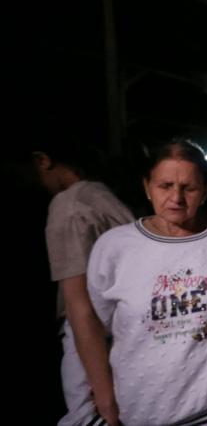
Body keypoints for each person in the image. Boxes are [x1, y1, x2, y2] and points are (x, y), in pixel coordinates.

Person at [85, 139, 207, 426]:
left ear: (206, 190)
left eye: (188, 188)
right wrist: (100, 393)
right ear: (147, 187)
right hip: (140, 409)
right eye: (165, 186)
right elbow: (93, 327)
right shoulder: (114, 247)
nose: (176, 198)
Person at [32, 138, 134, 426]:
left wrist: (102, 396)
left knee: (89, 418)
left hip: (93, 336)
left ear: (43, 159)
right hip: (121, 328)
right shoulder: (100, 193)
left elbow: (79, 303)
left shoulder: (68, 206)